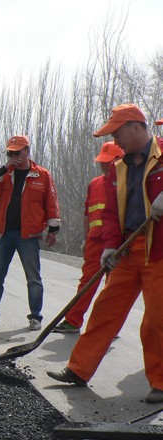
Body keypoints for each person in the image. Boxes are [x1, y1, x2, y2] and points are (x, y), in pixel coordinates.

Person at [47, 104, 163, 404]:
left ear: (136, 126)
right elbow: (111, 212)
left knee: (155, 319)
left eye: (117, 131)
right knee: (104, 310)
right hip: (128, 249)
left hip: (159, 251)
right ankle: (79, 369)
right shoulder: (118, 167)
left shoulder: (162, 154)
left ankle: (161, 383)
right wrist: (110, 245)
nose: (116, 139)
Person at [0, 135, 60, 331]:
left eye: (18, 152)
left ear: (27, 151)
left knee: (33, 278)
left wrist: (53, 229)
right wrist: (4, 167)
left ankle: (35, 317)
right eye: (10, 153)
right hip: (3, 234)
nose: (15, 156)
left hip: (28, 236)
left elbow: (51, 202)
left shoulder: (42, 175)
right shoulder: (5, 174)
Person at [53, 141, 124, 334]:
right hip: (95, 241)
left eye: (108, 161)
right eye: (103, 161)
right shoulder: (95, 184)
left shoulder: (128, 183)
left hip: (119, 242)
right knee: (87, 282)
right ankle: (73, 321)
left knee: (114, 286)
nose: (104, 165)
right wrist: (86, 239)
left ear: (120, 160)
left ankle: (110, 326)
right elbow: (87, 214)